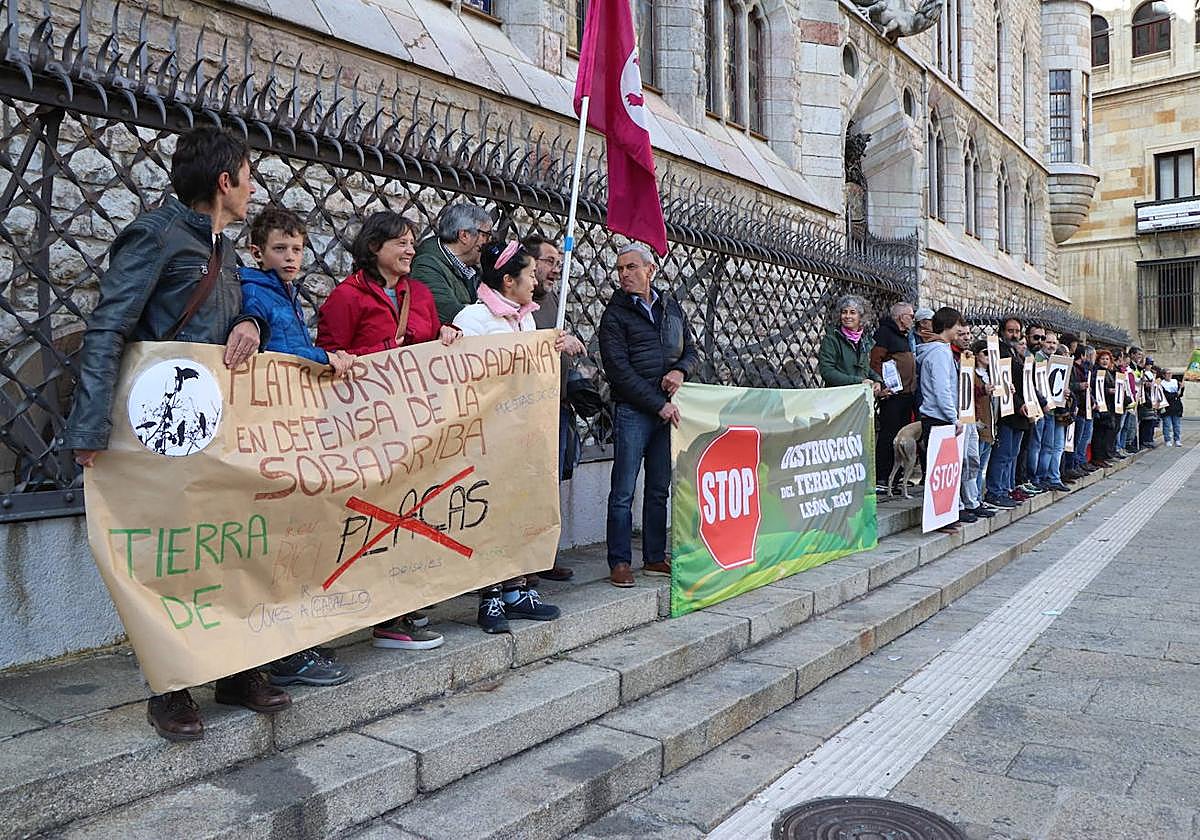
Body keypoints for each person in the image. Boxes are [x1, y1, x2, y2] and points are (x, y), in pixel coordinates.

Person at [60, 126, 286, 742]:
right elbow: (109, 327)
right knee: (168, 556)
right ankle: (169, 687)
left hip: (212, 424)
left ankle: (234, 670)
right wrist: (90, 426)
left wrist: (251, 324)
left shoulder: (224, 250)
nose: (253, 188)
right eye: (248, 176)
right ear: (224, 181)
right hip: (159, 426)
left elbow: (233, 315)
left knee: (226, 545)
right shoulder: (155, 235)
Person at [317, 211, 462, 651]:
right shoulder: (346, 297)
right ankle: (382, 614)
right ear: (374, 247)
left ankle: (402, 605)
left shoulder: (420, 293)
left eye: (412, 242)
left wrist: (446, 333)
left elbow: (430, 340)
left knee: (412, 511)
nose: (410, 250)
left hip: (414, 423)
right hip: (368, 428)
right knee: (376, 516)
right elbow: (328, 358)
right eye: (401, 242)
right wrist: (383, 351)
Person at [240, 204, 354, 687]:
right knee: (280, 542)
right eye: (280, 249)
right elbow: (277, 355)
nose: (291, 257)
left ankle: (291, 640)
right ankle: (283, 649)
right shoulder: (257, 293)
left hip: (289, 432)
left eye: (297, 249)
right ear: (257, 252)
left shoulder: (282, 292)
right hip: (272, 435)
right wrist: (323, 357)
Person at [454, 240, 581, 631]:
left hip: (523, 435)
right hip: (488, 437)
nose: (534, 282)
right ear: (508, 280)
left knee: (519, 512)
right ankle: (489, 596)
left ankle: (515, 588)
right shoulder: (473, 319)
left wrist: (555, 346)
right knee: (491, 516)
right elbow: (461, 374)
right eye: (528, 275)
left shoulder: (526, 321)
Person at [598, 242, 699, 588]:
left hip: (665, 413)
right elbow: (618, 371)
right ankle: (620, 561)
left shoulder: (671, 307)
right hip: (634, 411)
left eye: (631, 267)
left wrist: (681, 371)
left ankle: (654, 557)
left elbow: (692, 350)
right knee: (623, 490)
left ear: (650, 270)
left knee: (658, 488)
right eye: (619, 269)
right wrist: (658, 404)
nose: (624, 274)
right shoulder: (615, 315)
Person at [525, 234, 579, 582]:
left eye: (559, 263)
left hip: (555, 406)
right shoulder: (520, 305)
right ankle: (522, 564)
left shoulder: (553, 301)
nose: (555, 270)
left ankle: (544, 555)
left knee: (549, 486)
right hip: (528, 410)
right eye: (549, 262)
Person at [915, 307, 968, 525]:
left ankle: (947, 514)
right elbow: (941, 388)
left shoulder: (943, 350)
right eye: (957, 326)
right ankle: (939, 517)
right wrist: (952, 416)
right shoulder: (938, 353)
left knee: (947, 471)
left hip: (941, 416)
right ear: (947, 326)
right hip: (938, 417)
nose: (960, 331)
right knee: (939, 471)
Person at [410, 203, 494, 324]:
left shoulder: (471, 269)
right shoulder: (425, 266)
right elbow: (452, 315)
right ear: (464, 235)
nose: (488, 242)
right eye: (485, 235)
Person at [985, 316, 1032, 507]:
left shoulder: (1015, 352)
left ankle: (1005, 489)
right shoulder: (999, 351)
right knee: (1002, 454)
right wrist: (1019, 403)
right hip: (1007, 410)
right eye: (1010, 331)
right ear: (1002, 331)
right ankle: (995, 491)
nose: (1014, 334)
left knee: (1012, 454)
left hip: (1020, 411)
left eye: (1017, 331)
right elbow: (1003, 381)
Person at [870, 301, 917, 493]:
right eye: (910, 316)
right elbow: (875, 361)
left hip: (905, 394)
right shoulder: (885, 334)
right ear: (900, 317)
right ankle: (882, 477)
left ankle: (895, 478)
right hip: (892, 395)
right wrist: (881, 385)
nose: (913, 319)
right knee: (889, 435)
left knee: (901, 435)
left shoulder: (904, 336)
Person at [818, 295, 884, 395]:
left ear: (861, 316)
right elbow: (827, 371)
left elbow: (864, 368)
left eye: (852, 312)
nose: (847, 316)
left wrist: (877, 380)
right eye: (844, 312)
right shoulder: (832, 339)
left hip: (859, 396)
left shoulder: (863, 340)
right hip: (838, 396)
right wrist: (858, 381)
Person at [969, 339, 1007, 508]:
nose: (989, 356)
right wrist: (983, 391)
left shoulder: (992, 375)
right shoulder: (972, 374)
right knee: (975, 466)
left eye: (991, 354)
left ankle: (978, 497)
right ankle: (974, 499)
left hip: (991, 425)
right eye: (985, 353)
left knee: (981, 465)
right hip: (979, 423)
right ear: (977, 355)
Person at [1032, 332, 1070, 492]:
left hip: (1054, 409)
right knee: (1041, 446)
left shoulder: (1055, 360)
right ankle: (1038, 478)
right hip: (1042, 409)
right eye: (1048, 342)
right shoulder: (1037, 359)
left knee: (1051, 446)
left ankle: (1051, 477)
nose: (1051, 345)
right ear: (1042, 343)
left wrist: (1065, 392)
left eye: (1054, 343)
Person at [1067, 345, 1096, 477]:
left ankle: (1078, 463)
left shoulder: (1085, 369)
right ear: (1083, 356)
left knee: (1082, 438)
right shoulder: (1074, 369)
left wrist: (1092, 401)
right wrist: (1080, 386)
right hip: (1078, 408)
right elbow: (1070, 385)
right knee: (1075, 440)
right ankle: (1073, 464)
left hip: (1085, 408)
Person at [1091, 349, 1118, 467]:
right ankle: (1097, 458)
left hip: (1109, 406)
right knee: (1099, 433)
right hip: (1101, 406)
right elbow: (1096, 388)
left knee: (1105, 433)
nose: (1105, 361)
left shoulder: (1109, 372)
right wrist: (1108, 391)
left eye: (1107, 359)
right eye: (1102, 359)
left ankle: (1103, 456)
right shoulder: (1097, 372)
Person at [1161, 371, 1185, 446]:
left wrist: (1182, 388)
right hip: (1167, 407)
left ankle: (1177, 439)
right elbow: (1165, 395)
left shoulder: (1175, 382)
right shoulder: (1161, 384)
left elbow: (1180, 394)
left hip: (1176, 406)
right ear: (1164, 375)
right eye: (1167, 373)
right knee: (1167, 425)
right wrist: (1175, 394)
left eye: (1170, 373)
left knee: (1177, 425)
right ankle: (1167, 440)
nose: (1169, 375)